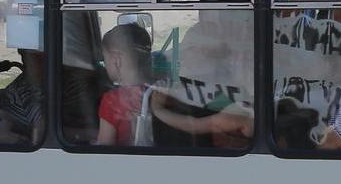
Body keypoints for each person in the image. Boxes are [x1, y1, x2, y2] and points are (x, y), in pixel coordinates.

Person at [96, 22, 250, 146]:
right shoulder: (170, 90)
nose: (185, 59)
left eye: (191, 51)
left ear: (116, 60)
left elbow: (103, 148)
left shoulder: (114, 101)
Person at [0, 48, 45, 141]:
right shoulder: (15, 98)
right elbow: (44, 135)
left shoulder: (67, 80)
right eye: (35, 56)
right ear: (23, 55)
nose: (42, 59)